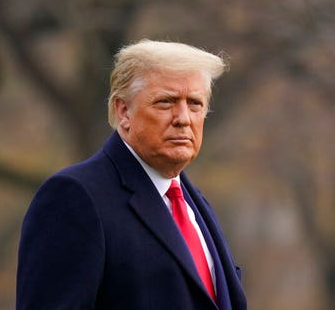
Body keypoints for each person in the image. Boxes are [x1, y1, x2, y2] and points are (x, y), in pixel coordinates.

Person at [16, 39, 247, 310]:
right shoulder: (73, 197)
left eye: (195, 104)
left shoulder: (195, 204)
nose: (183, 118)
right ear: (123, 111)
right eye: (166, 102)